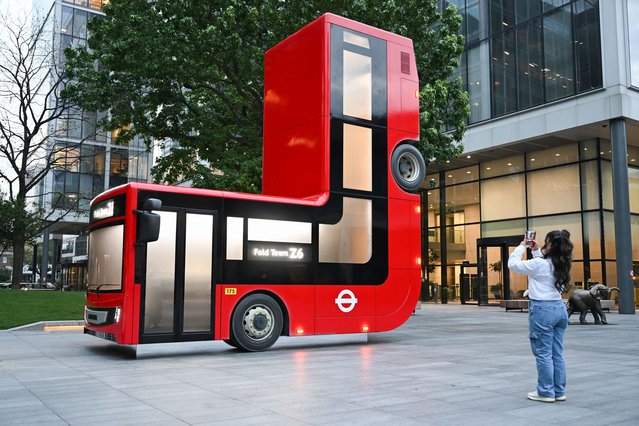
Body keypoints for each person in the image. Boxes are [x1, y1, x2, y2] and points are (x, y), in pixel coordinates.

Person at [508, 229, 573, 403]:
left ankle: (545, 392)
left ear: (550, 245)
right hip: (559, 309)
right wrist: (537, 250)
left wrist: (522, 247)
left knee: (543, 353)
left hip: (543, 310)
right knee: (556, 353)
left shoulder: (540, 265)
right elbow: (542, 265)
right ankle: (558, 391)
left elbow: (513, 264)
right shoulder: (563, 264)